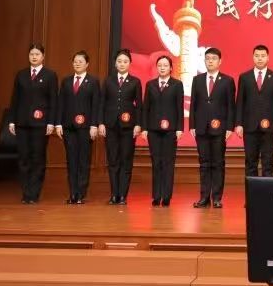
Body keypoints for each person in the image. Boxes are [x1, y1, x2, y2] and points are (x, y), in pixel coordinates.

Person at [7, 43, 57, 204]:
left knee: (38, 158)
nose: (34, 57)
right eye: (31, 54)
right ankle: (26, 192)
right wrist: (12, 120)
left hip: (40, 124)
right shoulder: (21, 75)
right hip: (22, 122)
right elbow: (15, 99)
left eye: (37, 54)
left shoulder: (50, 75)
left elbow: (53, 101)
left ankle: (34, 193)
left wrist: (51, 122)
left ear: (43, 56)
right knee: (23, 158)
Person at [190, 47, 235, 207]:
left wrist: (229, 127)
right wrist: (192, 125)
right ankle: (204, 197)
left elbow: (231, 106)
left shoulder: (227, 81)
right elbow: (193, 104)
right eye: (208, 58)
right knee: (204, 163)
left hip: (220, 128)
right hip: (201, 127)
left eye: (213, 58)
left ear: (220, 61)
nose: (210, 61)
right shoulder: (197, 80)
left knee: (218, 162)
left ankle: (216, 198)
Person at [55, 51, 101, 204]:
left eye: (81, 61)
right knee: (71, 160)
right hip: (68, 127)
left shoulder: (93, 82)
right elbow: (61, 103)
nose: (77, 64)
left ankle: (81, 193)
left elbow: (96, 105)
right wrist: (58, 123)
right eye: (75, 61)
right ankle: (73, 193)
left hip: (86, 127)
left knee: (83, 160)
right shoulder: (66, 81)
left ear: (87, 64)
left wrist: (94, 125)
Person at [235, 44, 273, 178]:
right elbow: (240, 102)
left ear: (268, 58)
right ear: (253, 57)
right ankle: (252, 192)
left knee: (268, 162)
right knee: (250, 162)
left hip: (269, 127)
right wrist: (238, 123)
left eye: (263, 56)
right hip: (249, 127)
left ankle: (268, 192)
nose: (260, 58)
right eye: (257, 56)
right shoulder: (244, 77)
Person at [100, 49, 143, 205]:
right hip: (110, 125)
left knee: (126, 160)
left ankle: (123, 195)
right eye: (119, 61)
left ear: (130, 63)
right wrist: (101, 123)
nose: (122, 64)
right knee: (113, 160)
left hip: (128, 127)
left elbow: (139, 106)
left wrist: (138, 124)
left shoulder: (135, 82)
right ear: (115, 63)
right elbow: (102, 103)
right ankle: (114, 194)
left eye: (125, 61)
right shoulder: (108, 81)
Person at [143, 54, 183, 206]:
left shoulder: (177, 84)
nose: (162, 68)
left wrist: (179, 128)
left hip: (170, 129)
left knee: (168, 162)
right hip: (153, 129)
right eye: (160, 65)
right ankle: (156, 195)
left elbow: (179, 107)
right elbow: (146, 107)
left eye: (165, 65)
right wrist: (145, 128)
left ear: (171, 68)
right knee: (156, 162)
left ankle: (166, 196)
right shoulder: (150, 85)